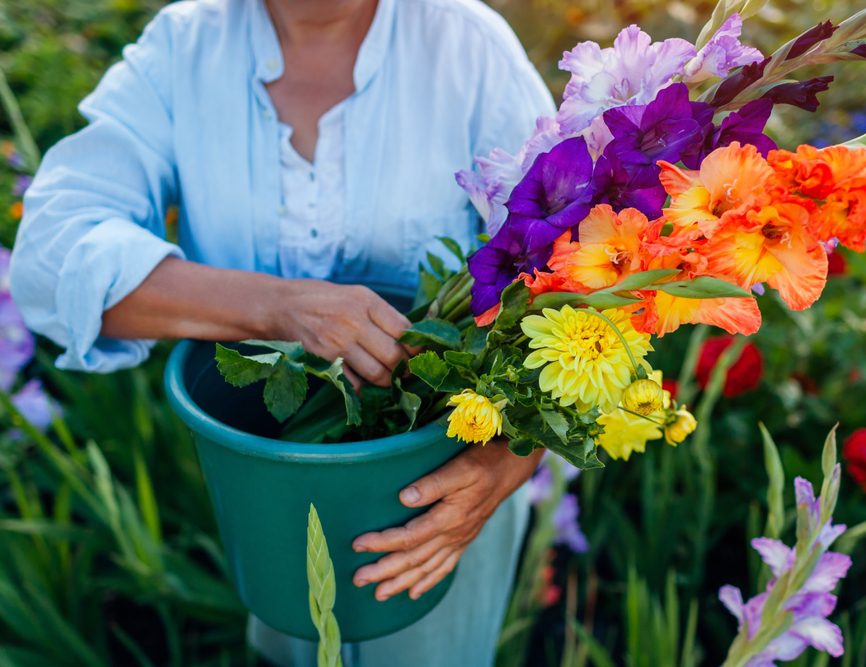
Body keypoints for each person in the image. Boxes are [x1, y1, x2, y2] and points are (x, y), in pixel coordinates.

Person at [9, 0, 554, 665]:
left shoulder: (468, 48)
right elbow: (51, 252)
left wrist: (506, 462)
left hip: (439, 493)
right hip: (266, 487)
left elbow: (580, 271)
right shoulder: (186, 47)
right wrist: (280, 306)